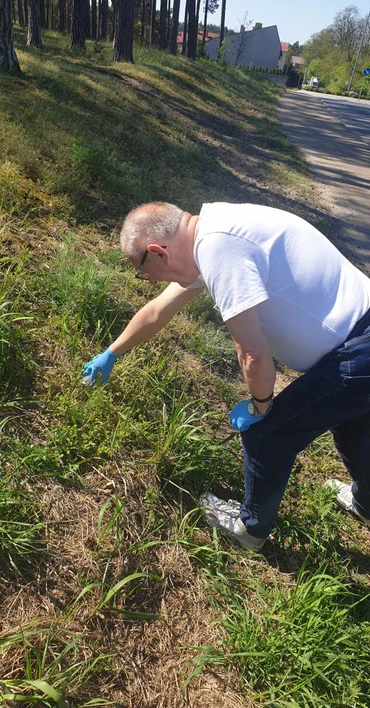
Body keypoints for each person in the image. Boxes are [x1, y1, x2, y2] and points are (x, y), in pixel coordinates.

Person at [82, 201, 370, 551]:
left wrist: (260, 407)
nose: (148, 281)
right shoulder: (210, 233)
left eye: (142, 271)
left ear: (158, 252)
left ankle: (250, 530)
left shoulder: (219, 250)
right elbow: (158, 310)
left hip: (359, 349)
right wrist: (113, 352)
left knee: (269, 434)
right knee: (354, 421)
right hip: (359, 332)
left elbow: (252, 354)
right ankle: (365, 502)